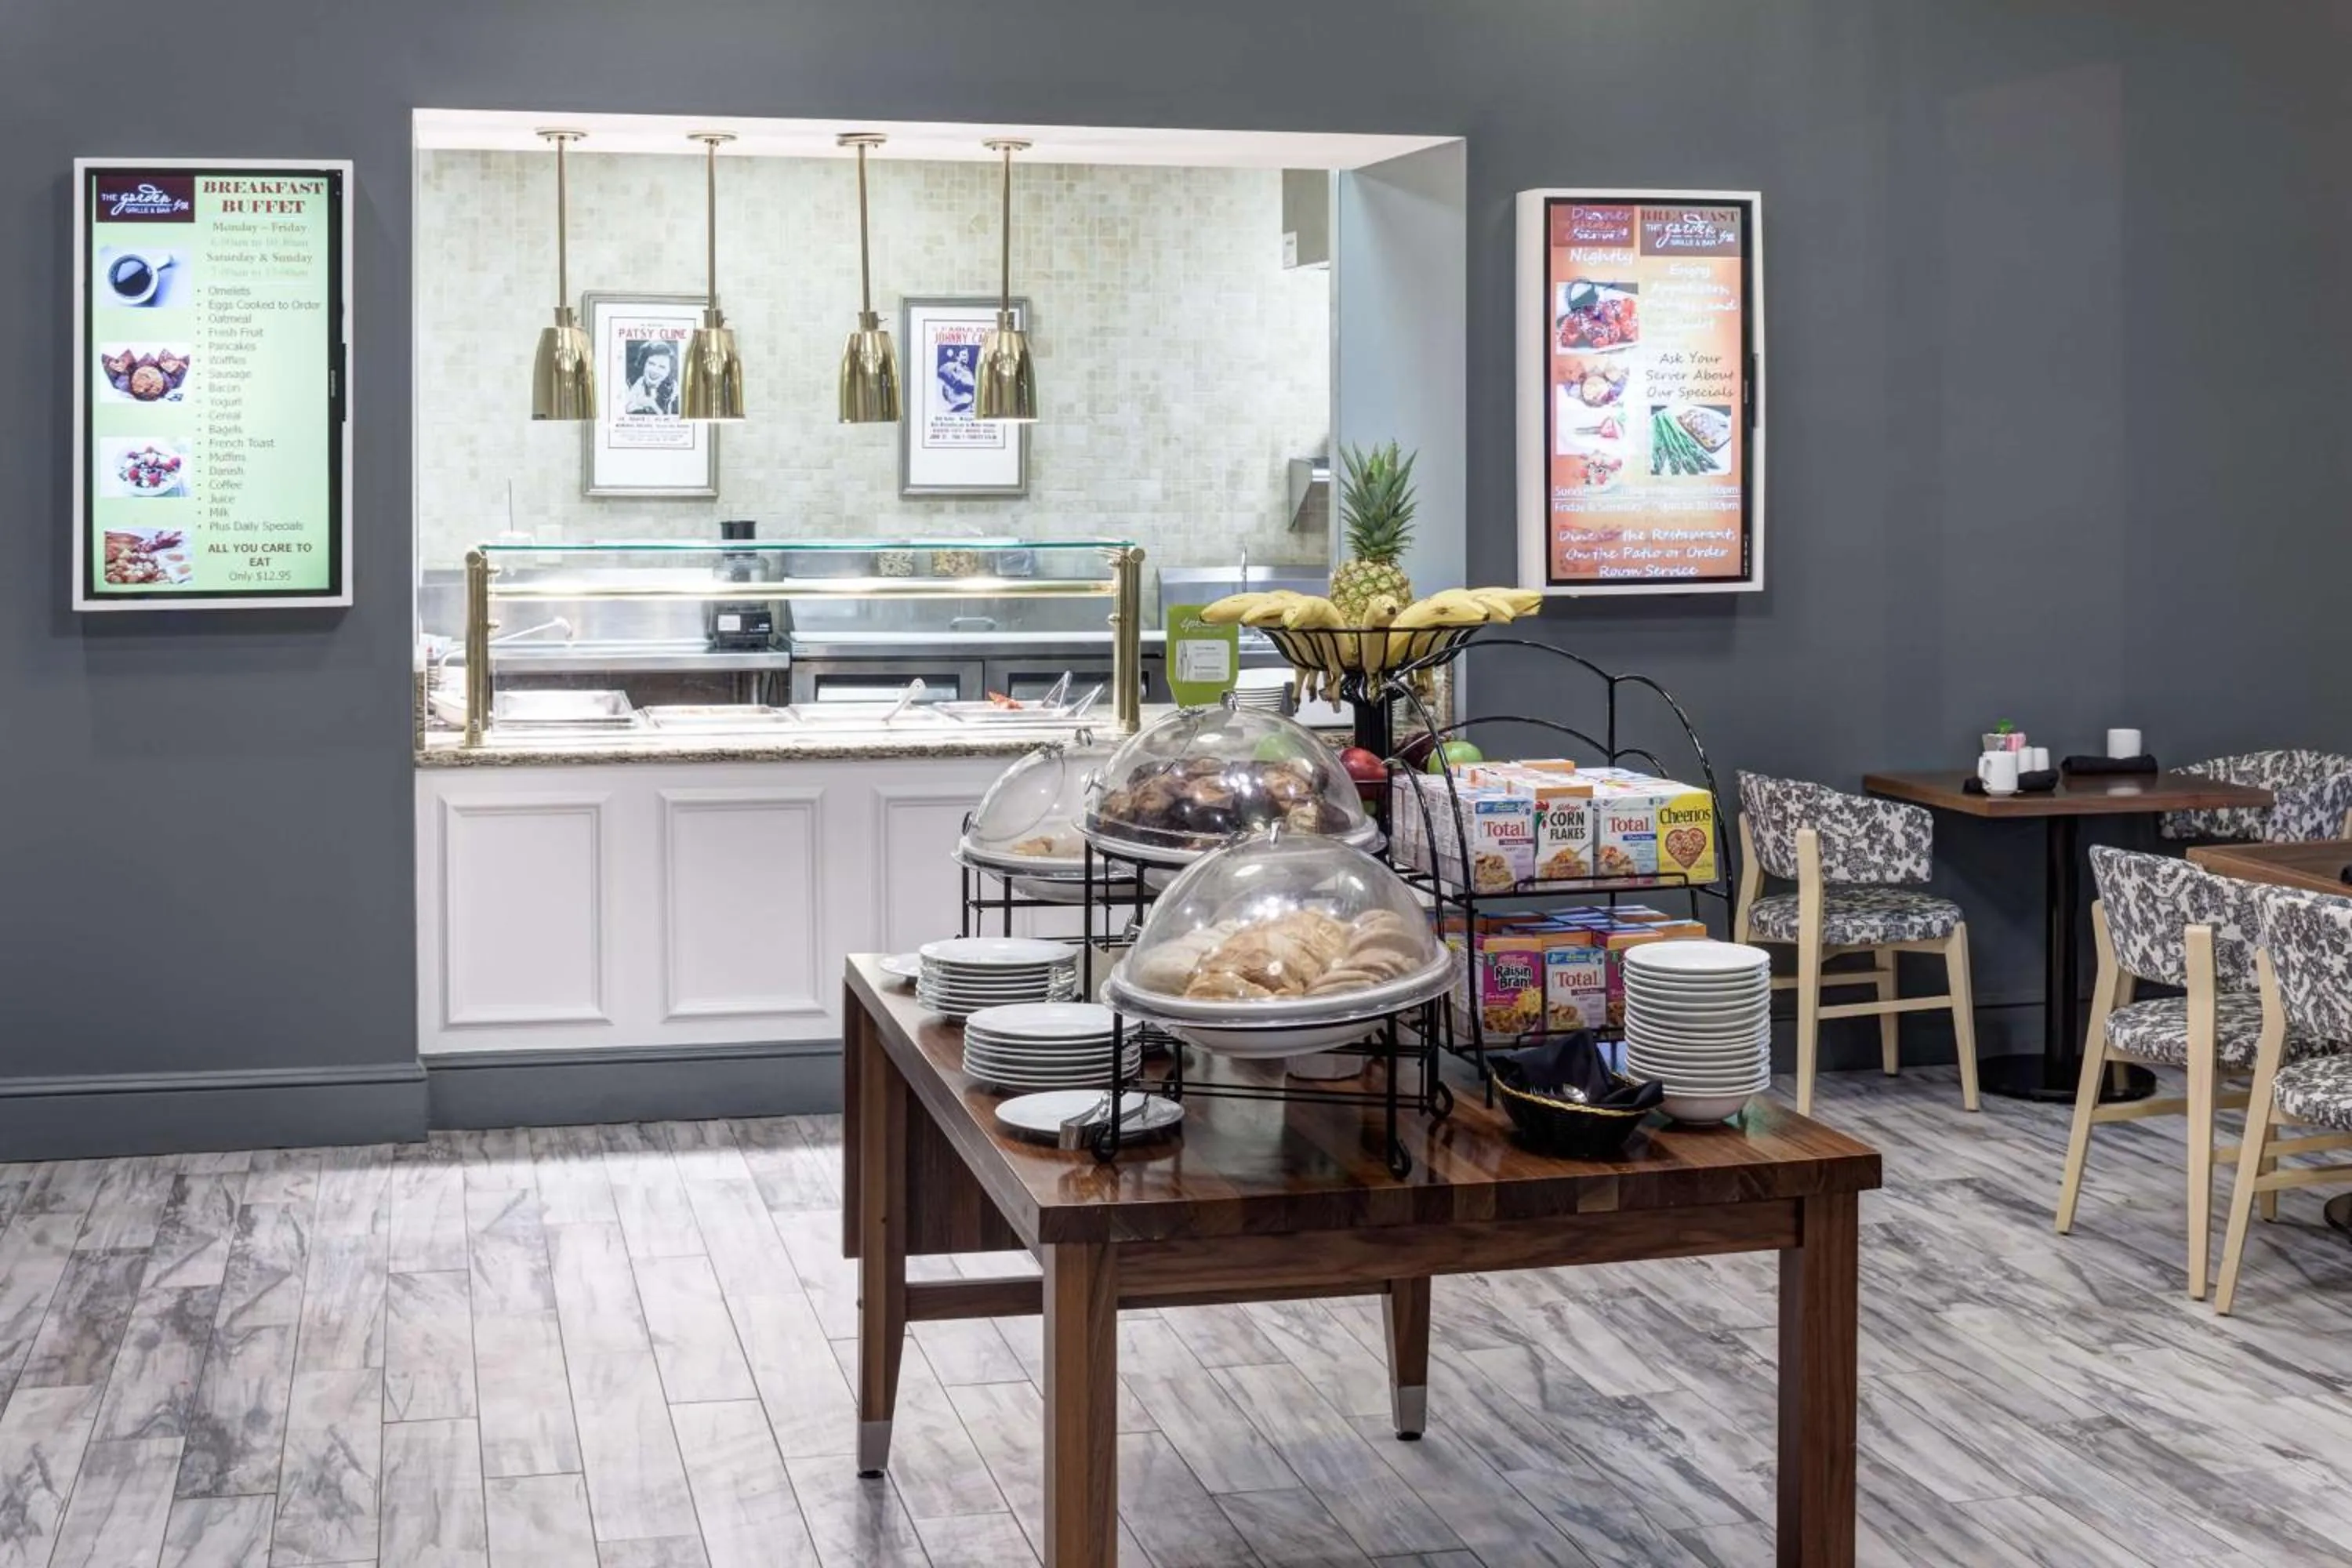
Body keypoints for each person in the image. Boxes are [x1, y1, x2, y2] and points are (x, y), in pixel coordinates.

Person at [624, 340, 680, 416]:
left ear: (669, 371)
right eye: (651, 364)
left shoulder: (675, 394)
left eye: (662, 367)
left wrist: (654, 406)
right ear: (644, 364)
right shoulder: (629, 386)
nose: (655, 371)